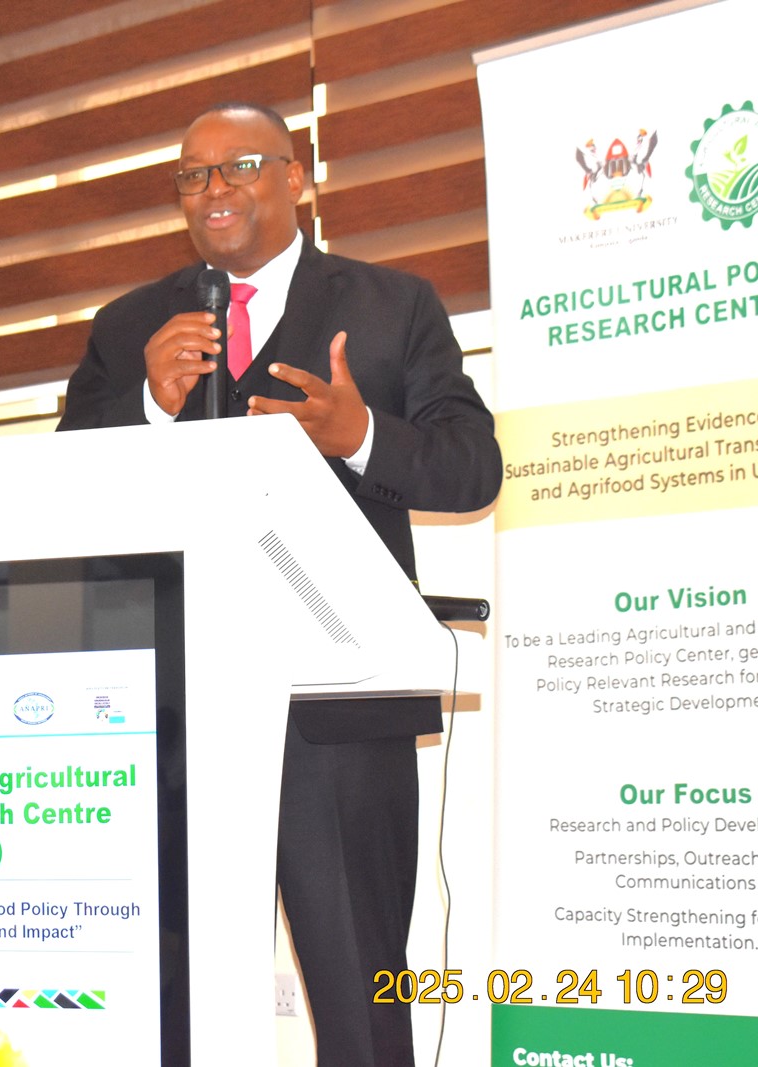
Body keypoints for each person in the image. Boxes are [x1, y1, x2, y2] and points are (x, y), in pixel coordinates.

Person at [56, 102, 503, 1066]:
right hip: (166, 712)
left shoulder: (394, 307)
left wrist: (362, 436)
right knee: (162, 991)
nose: (211, 190)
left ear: (297, 179)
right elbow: (67, 494)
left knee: (358, 986)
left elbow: (475, 467)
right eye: (190, 175)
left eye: (239, 167)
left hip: (334, 710)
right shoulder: (130, 327)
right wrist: (147, 409)